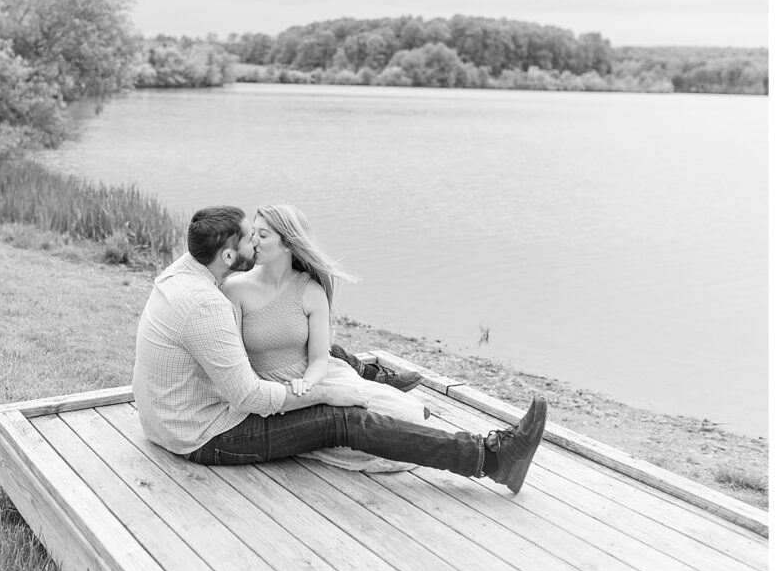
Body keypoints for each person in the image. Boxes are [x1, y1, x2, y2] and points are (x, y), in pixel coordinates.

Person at [132, 206, 547, 493]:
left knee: (340, 398)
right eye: (246, 240)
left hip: (171, 420)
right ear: (227, 255)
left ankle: (478, 447)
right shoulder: (205, 303)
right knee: (342, 421)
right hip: (205, 436)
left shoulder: (181, 275)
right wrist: (324, 392)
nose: (253, 245)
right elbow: (249, 397)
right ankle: (492, 458)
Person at [222, 204, 429, 472]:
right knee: (376, 430)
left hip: (317, 377)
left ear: (287, 245)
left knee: (400, 414)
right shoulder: (234, 288)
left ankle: (411, 410)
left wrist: (307, 383)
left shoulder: (311, 291)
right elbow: (234, 360)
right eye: (253, 234)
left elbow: (320, 358)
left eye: (264, 236)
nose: (253, 242)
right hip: (269, 391)